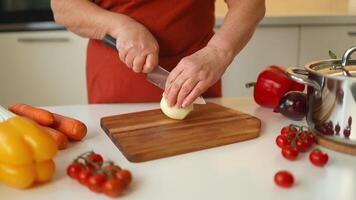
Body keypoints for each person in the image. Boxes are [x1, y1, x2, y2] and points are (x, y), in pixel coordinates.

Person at [51, 0, 265, 108]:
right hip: (115, 87)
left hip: (197, 80)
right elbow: (63, 6)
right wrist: (119, 26)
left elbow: (250, 3)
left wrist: (217, 52)